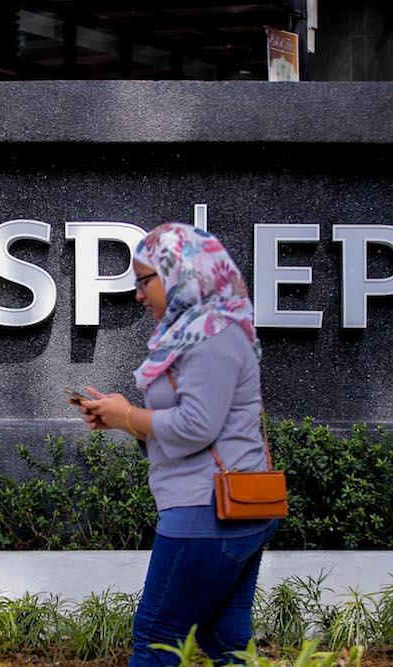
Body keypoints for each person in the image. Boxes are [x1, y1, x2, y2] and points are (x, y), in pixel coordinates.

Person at [73, 223, 278, 667]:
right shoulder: (200, 330)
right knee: (224, 640)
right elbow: (193, 429)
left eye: (144, 280)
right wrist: (121, 419)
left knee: (156, 638)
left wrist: (128, 415)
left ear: (179, 273)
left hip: (207, 513)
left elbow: (196, 427)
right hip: (221, 508)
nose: (138, 294)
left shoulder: (211, 334)